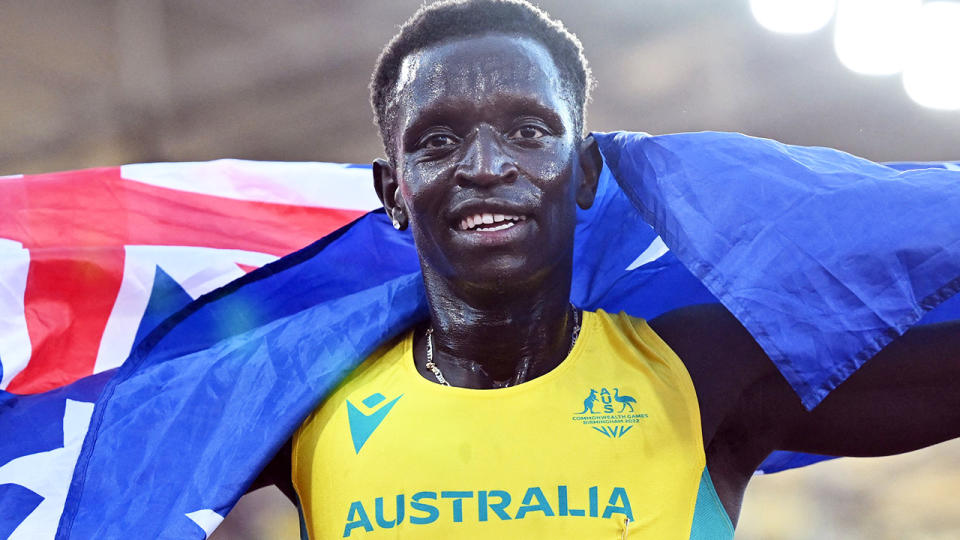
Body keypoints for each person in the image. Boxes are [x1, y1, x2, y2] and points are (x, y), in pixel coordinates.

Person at [254, 1, 960, 537]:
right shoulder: (299, 401)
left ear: (586, 172)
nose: (486, 166)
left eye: (529, 132)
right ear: (393, 193)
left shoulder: (702, 370)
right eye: (438, 141)